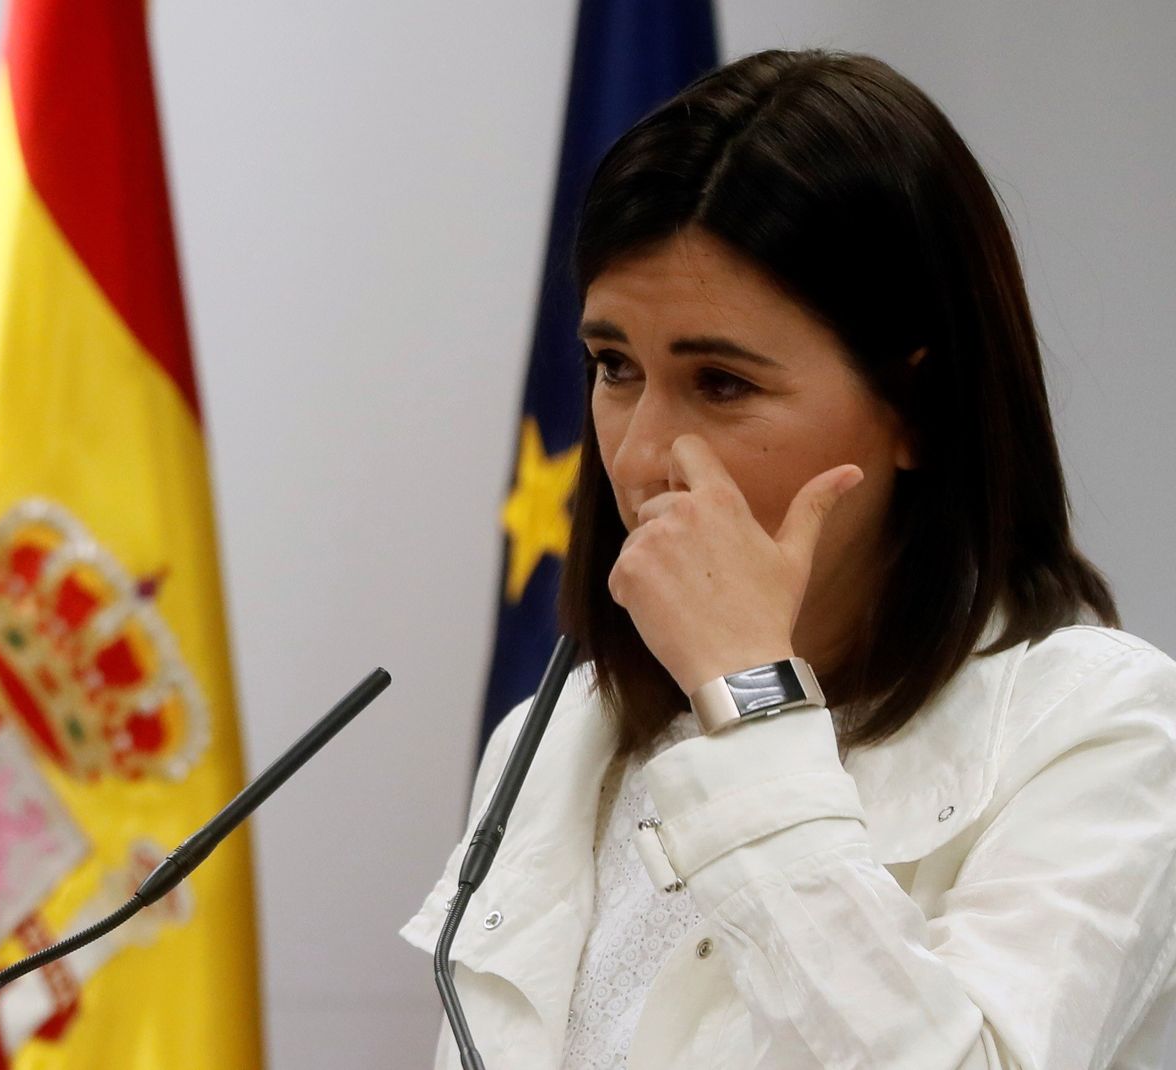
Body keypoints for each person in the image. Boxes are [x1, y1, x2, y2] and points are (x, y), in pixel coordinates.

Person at [402, 48, 1176, 1069]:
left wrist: (748, 700)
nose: (638, 458)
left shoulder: (1103, 727)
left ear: (914, 406)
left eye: (720, 382)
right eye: (613, 366)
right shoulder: (553, 738)